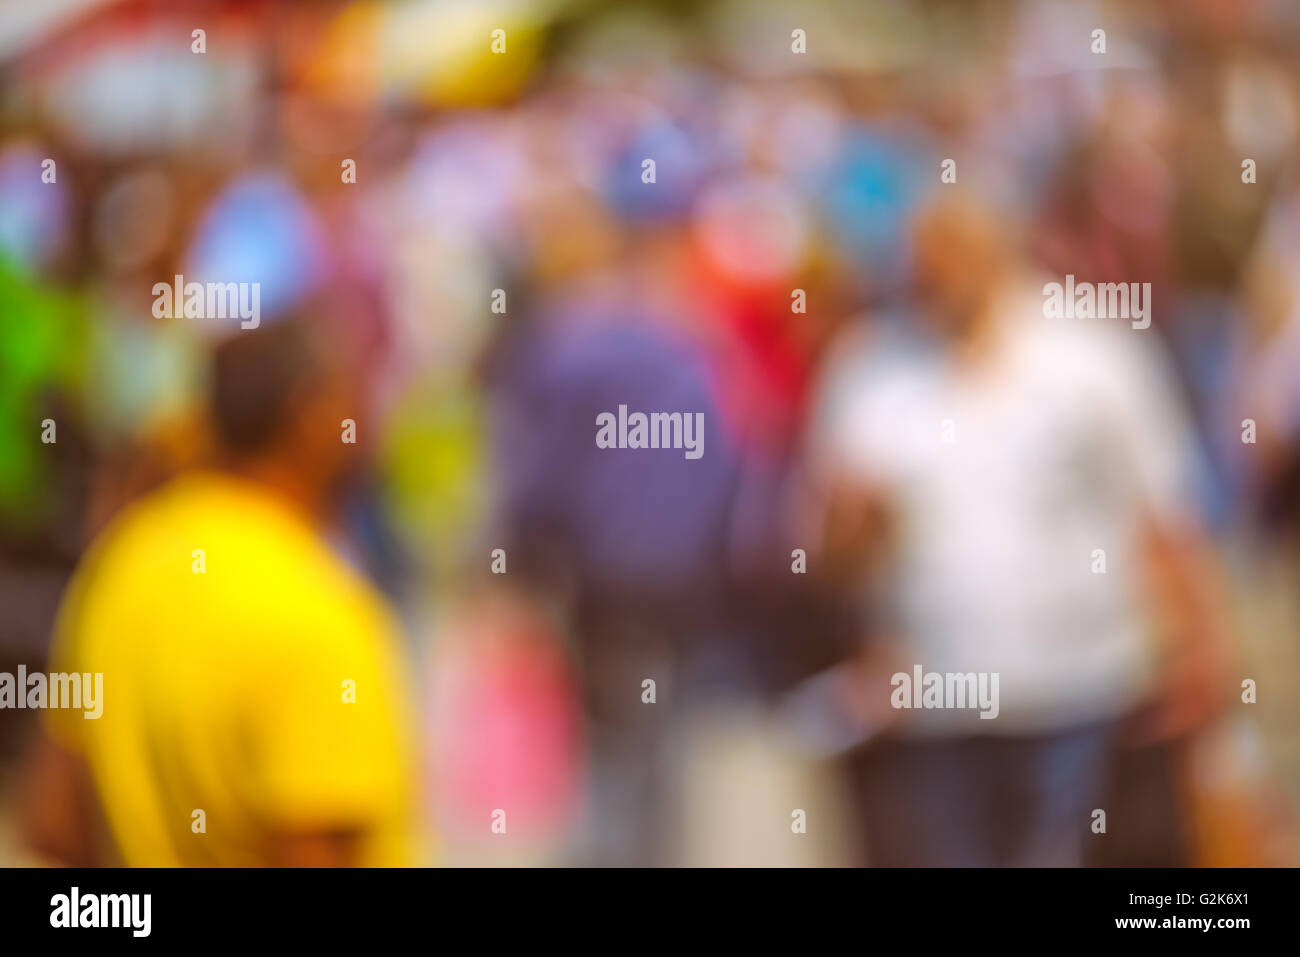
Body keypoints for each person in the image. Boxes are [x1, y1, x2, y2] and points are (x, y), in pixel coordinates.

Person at [812, 193, 1234, 866]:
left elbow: (1163, 510)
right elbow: (825, 555)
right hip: (933, 697)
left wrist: (1201, 647)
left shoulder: (1092, 359)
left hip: (1080, 684)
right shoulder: (870, 370)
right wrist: (854, 529)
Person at [19, 294, 415, 867]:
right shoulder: (316, 612)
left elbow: (55, 827)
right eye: (353, 394)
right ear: (313, 415)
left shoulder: (126, 560)